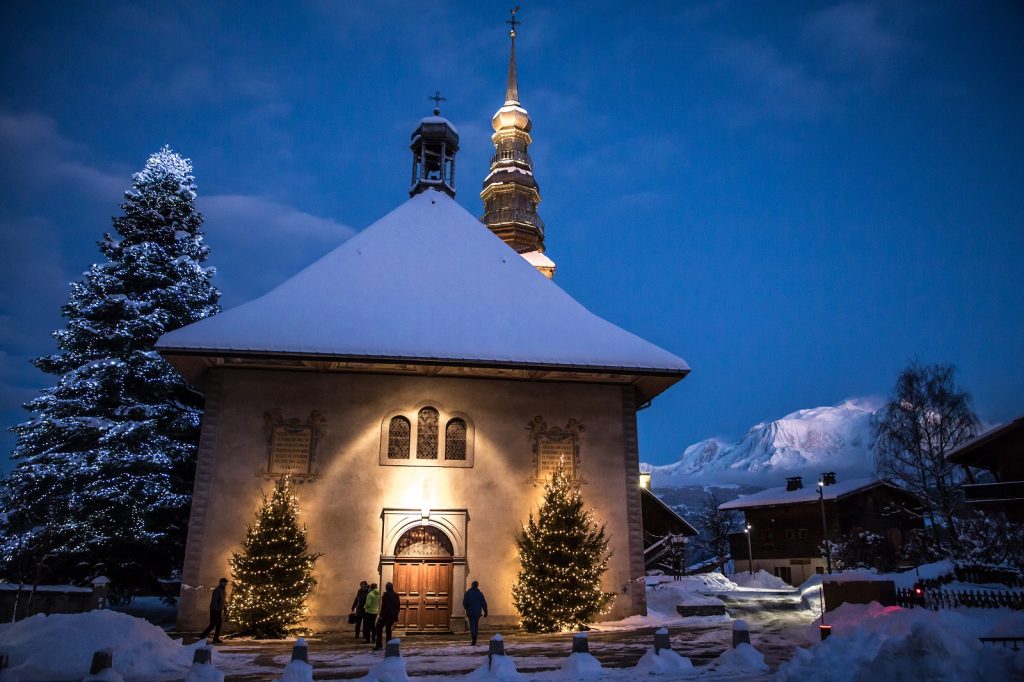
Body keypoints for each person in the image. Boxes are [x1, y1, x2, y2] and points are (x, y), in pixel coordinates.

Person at [200, 578, 229, 644]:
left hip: (218, 609)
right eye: (224, 582)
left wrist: (224, 609)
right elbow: (214, 600)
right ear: (221, 583)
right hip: (215, 610)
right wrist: (216, 609)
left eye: (226, 582)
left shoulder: (223, 591)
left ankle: (215, 638)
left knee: (218, 625)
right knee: (213, 624)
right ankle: (202, 636)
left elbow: (223, 601)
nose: (226, 583)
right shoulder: (217, 590)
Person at [375, 582, 401, 650]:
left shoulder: (385, 595)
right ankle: (388, 646)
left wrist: (380, 616)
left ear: (386, 588)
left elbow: (384, 607)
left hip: (384, 615)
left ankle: (379, 645)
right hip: (391, 616)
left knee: (378, 629)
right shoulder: (396, 595)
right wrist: (395, 616)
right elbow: (398, 607)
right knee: (388, 631)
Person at [462, 580, 488, 645]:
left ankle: (473, 638)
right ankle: (475, 638)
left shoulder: (468, 593)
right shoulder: (480, 594)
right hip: (477, 612)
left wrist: (466, 608)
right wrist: (485, 611)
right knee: (476, 625)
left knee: (472, 625)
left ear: (472, 585)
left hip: (470, 611)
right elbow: (483, 603)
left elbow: (465, 602)